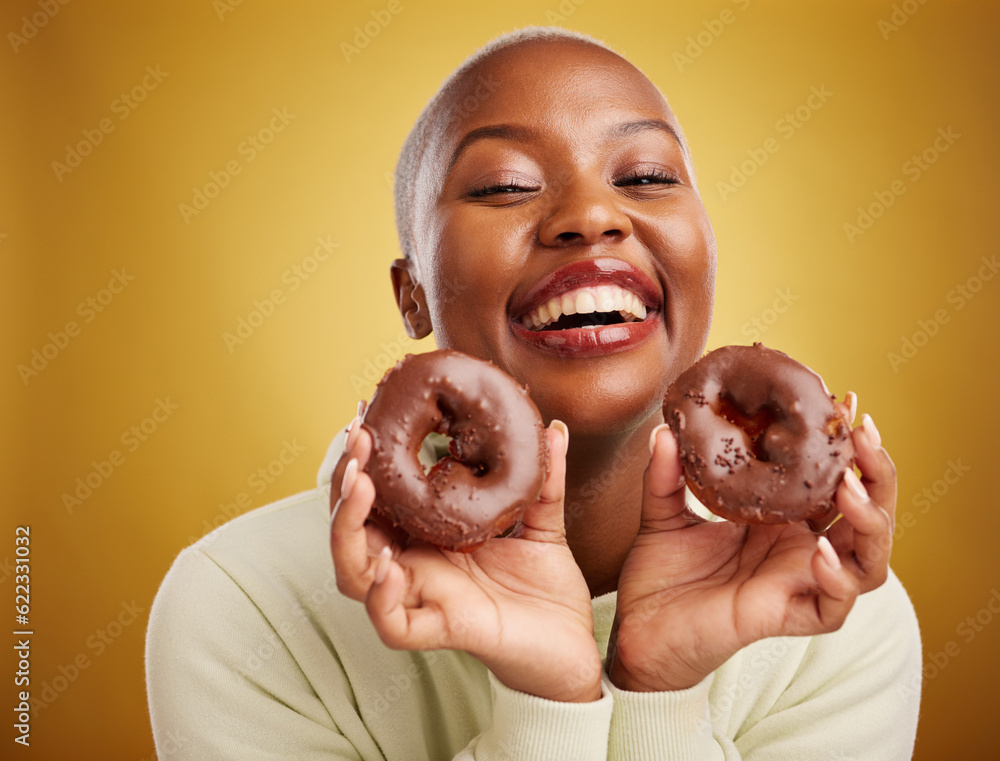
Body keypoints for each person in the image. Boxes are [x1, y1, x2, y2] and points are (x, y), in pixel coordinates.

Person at [146, 26, 921, 760]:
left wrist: (661, 687)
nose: (591, 216)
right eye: (505, 185)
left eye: (646, 176)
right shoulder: (243, 607)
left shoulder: (832, 612)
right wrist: (547, 704)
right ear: (411, 295)